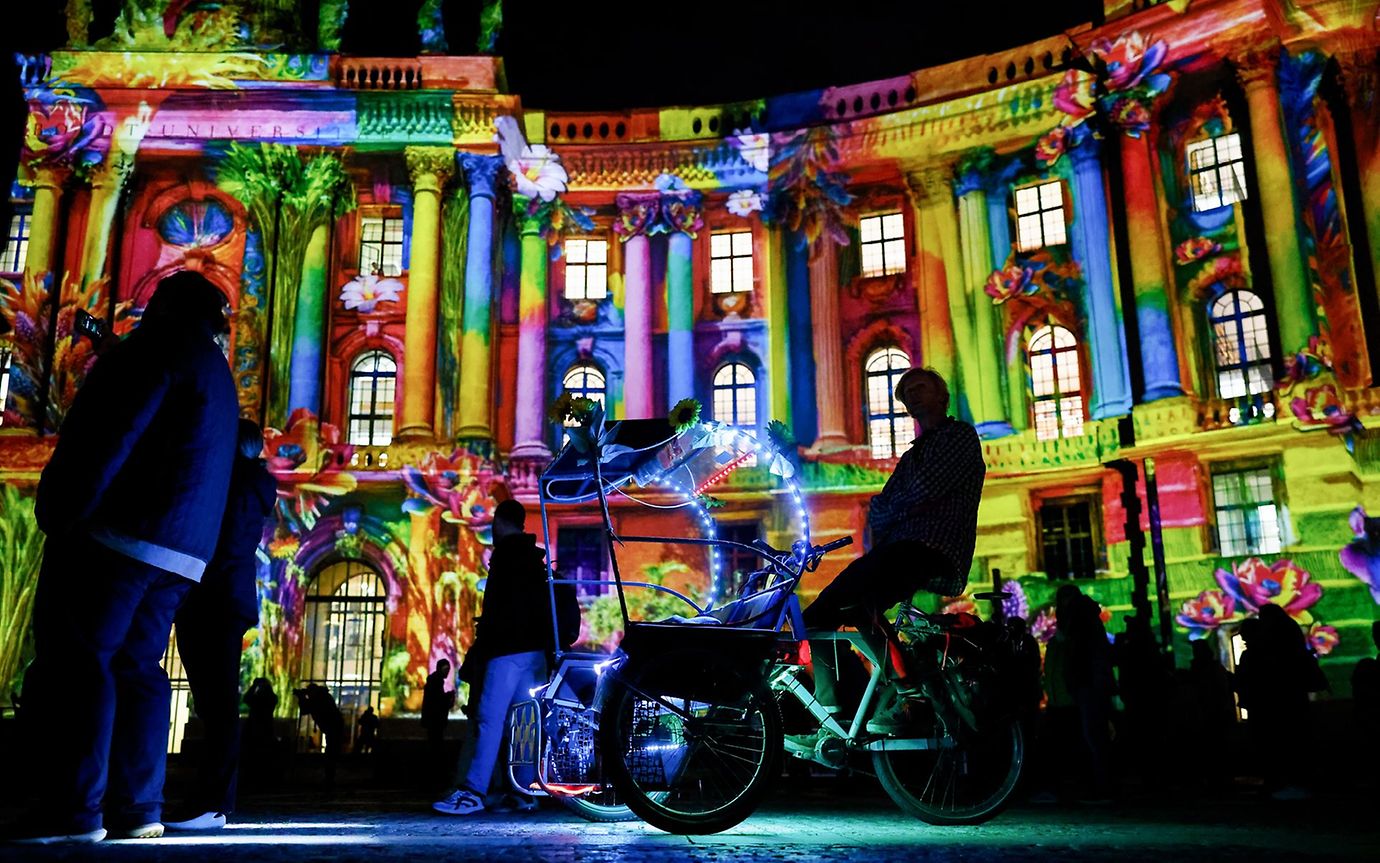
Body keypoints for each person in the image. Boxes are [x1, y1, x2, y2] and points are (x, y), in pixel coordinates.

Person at [12, 271, 237, 844]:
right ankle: (138, 808)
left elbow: (107, 434)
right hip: (183, 550)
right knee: (138, 668)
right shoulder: (217, 369)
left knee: (79, 662)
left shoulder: (154, 348)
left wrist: (64, 507)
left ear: (161, 306)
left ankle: (72, 811)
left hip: (121, 531)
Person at [800, 368, 985, 733]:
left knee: (855, 603)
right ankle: (834, 718)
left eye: (920, 388)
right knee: (815, 620)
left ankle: (911, 697)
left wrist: (893, 504)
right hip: (898, 548)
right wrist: (896, 504)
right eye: (905, 393)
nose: (912, 396)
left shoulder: (958, 435)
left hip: (928, 548)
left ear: (942, 397)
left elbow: (922, 490)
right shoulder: (913, 454)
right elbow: (881, 510)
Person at [165, 419, 277, 832]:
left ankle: (211, 803)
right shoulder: (254, 485)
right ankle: (215, 801)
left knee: (217, 706)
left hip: (212, 596)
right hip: (228, 598)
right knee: (219, 705)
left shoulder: (228, 483)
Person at [433, 499, 552, 816]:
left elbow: (496, 611)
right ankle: (524, 790)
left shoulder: (504, 557)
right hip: (535, 651)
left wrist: (483, 648)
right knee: (525, 722)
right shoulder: (534, 557)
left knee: (489, 719)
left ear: (499, 522)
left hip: (506, 651)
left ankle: (473, 790)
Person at [294, 684, 345, 786]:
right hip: (334, 727)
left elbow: (305, 709)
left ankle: (329, 777)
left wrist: (301, 696)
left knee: (331, 753)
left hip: (333, 728)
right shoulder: (323, 696)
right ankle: (330, 776)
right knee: (331, 752)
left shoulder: (320, 699)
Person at [421, 659, 456, 784]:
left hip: (433, 721)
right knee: (436, 747)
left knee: (434, 745)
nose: (447, 673)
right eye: (445, 670)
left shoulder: (434, 681)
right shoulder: (436, 682)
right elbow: (437, 703)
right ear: (440, 669)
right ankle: (435, 776)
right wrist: (448, 697)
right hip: (435, 721)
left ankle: (433, 775)